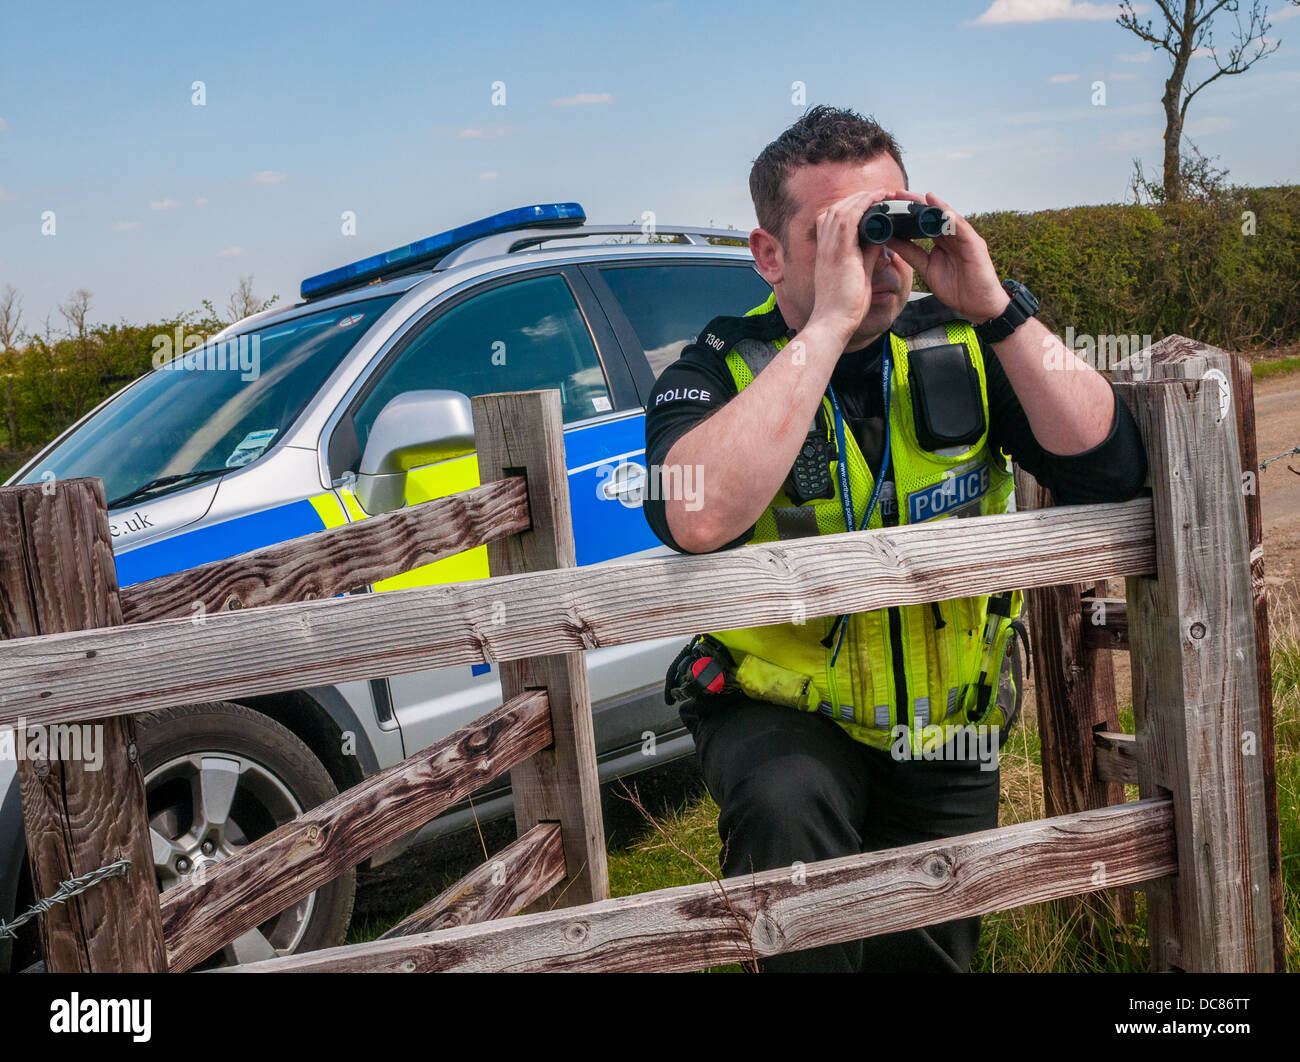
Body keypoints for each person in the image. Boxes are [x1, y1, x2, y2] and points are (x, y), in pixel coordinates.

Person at [641, 105, 1148, 972]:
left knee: (930, 958)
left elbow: (1110, 464)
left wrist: (993, 302)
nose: (874, 259)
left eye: (885, 227)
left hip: (945, 725)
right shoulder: (720, 367)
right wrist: (826, 327)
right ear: (769, 258)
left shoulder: (962, 344)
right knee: (792, 830)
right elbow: (695, 513)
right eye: (835, 235)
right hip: (784, 719)